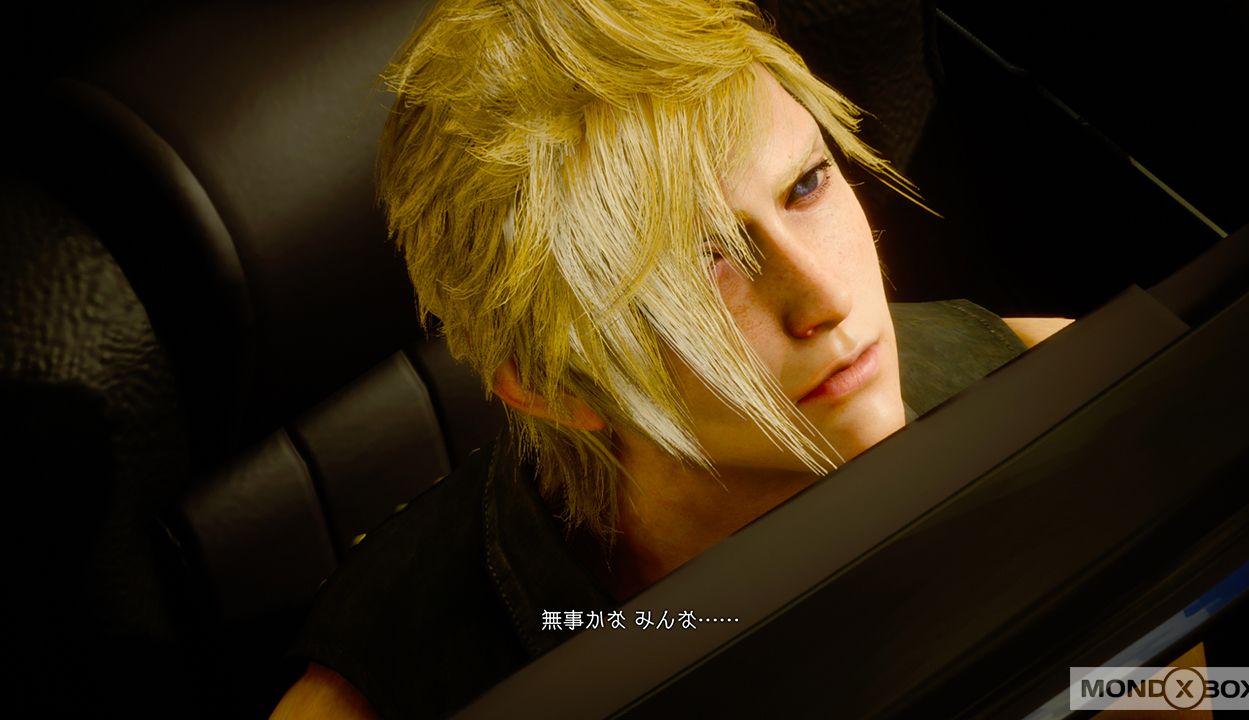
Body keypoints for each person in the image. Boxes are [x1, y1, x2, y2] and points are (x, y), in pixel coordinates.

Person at [272, 0, 1068, 717]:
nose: (825, 299)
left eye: (805, 186)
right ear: (553, 385)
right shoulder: (374, 702)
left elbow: (1138, 683)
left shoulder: (1056, 382)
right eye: (702, 263)